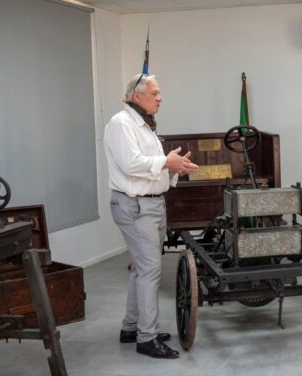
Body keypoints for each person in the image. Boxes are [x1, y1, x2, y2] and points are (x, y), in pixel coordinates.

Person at [104, 74, 198, 358]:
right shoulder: (121, 124)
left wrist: (172, 167)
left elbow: (150, 167)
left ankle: (131, 327)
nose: (160, 98)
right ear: (137, 96)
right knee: (150, 270)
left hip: (152, 205)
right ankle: (147, 338)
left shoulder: (143, 125)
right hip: (136, 206)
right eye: (155, 93)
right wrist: (164, 161)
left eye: (160, 93)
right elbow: (130, 164)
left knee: (142, 268)